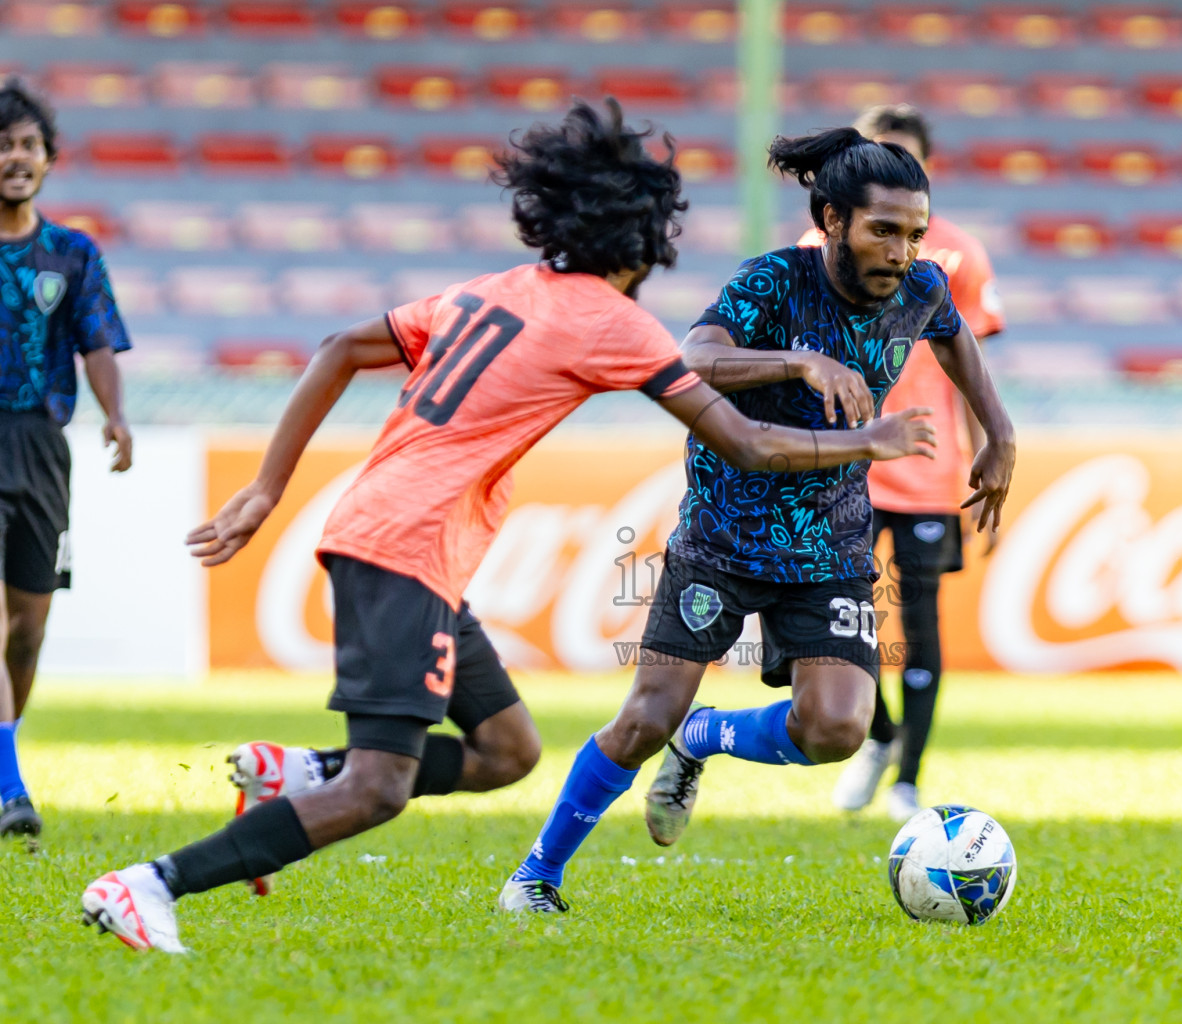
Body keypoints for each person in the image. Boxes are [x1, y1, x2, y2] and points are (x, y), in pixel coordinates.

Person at [78, 99, 937, 953]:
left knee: (506, 750)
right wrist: (869, 440)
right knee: (381, 787)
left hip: (400, 540)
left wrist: (269, 488)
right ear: (646, 240)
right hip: (404, 549)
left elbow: (341, 344)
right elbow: (745, 442)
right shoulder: (611, 323)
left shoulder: (495, 291)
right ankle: (150, 884)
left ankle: (300, 772)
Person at [499, 125, 1015, 914]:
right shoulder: (773, 282)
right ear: (834, 220)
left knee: (838, 728)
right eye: (885, 230)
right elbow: (689, 359)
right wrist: (799, 360)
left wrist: (1000, 432)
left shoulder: (922, 288)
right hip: (723, 536)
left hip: (831, 540)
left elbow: (956, 341)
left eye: (915, 233)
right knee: (644, 718)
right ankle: (536, 874)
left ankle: (704, 738)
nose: (903, 251)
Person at [800, 105, 1007, 822]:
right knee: (833, 616)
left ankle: (909, 778)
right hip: (838, 463)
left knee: (920, 627)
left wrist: (990, 443)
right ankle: (877, 735)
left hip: (923, 462)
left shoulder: (954, 256)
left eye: (904, 157)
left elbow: (969, 362)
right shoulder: (817, 245)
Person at [0, 79, 132, 839]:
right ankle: (10, 788)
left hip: (43, 451)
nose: (15, 158)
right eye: (3, 146)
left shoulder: (74, 253)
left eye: (27, 145)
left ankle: (2, 756)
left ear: (48, 159)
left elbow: (98, 342)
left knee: (27, 629)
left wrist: (115, 415)